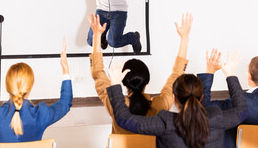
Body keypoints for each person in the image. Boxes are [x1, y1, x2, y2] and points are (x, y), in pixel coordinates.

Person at [105, 50, 248, 148]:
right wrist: (230, 74)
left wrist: (115, 85)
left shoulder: (165, 122)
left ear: (174, 98)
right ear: (202, 96)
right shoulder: (216, 118)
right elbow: (242, 110)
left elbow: (123, 119)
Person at [88, 13, 192, 134]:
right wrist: (184, 39)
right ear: (146, 82)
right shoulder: (160, 105)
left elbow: (97, 73)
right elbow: (177, 75)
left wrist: (97, 36)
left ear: (124, 81)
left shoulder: (116, 104)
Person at [0, 40, 72, 143]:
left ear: (7, 86)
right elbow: (65, 103)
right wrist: (65, 68)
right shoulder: (41, 114)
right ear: (30, 86)